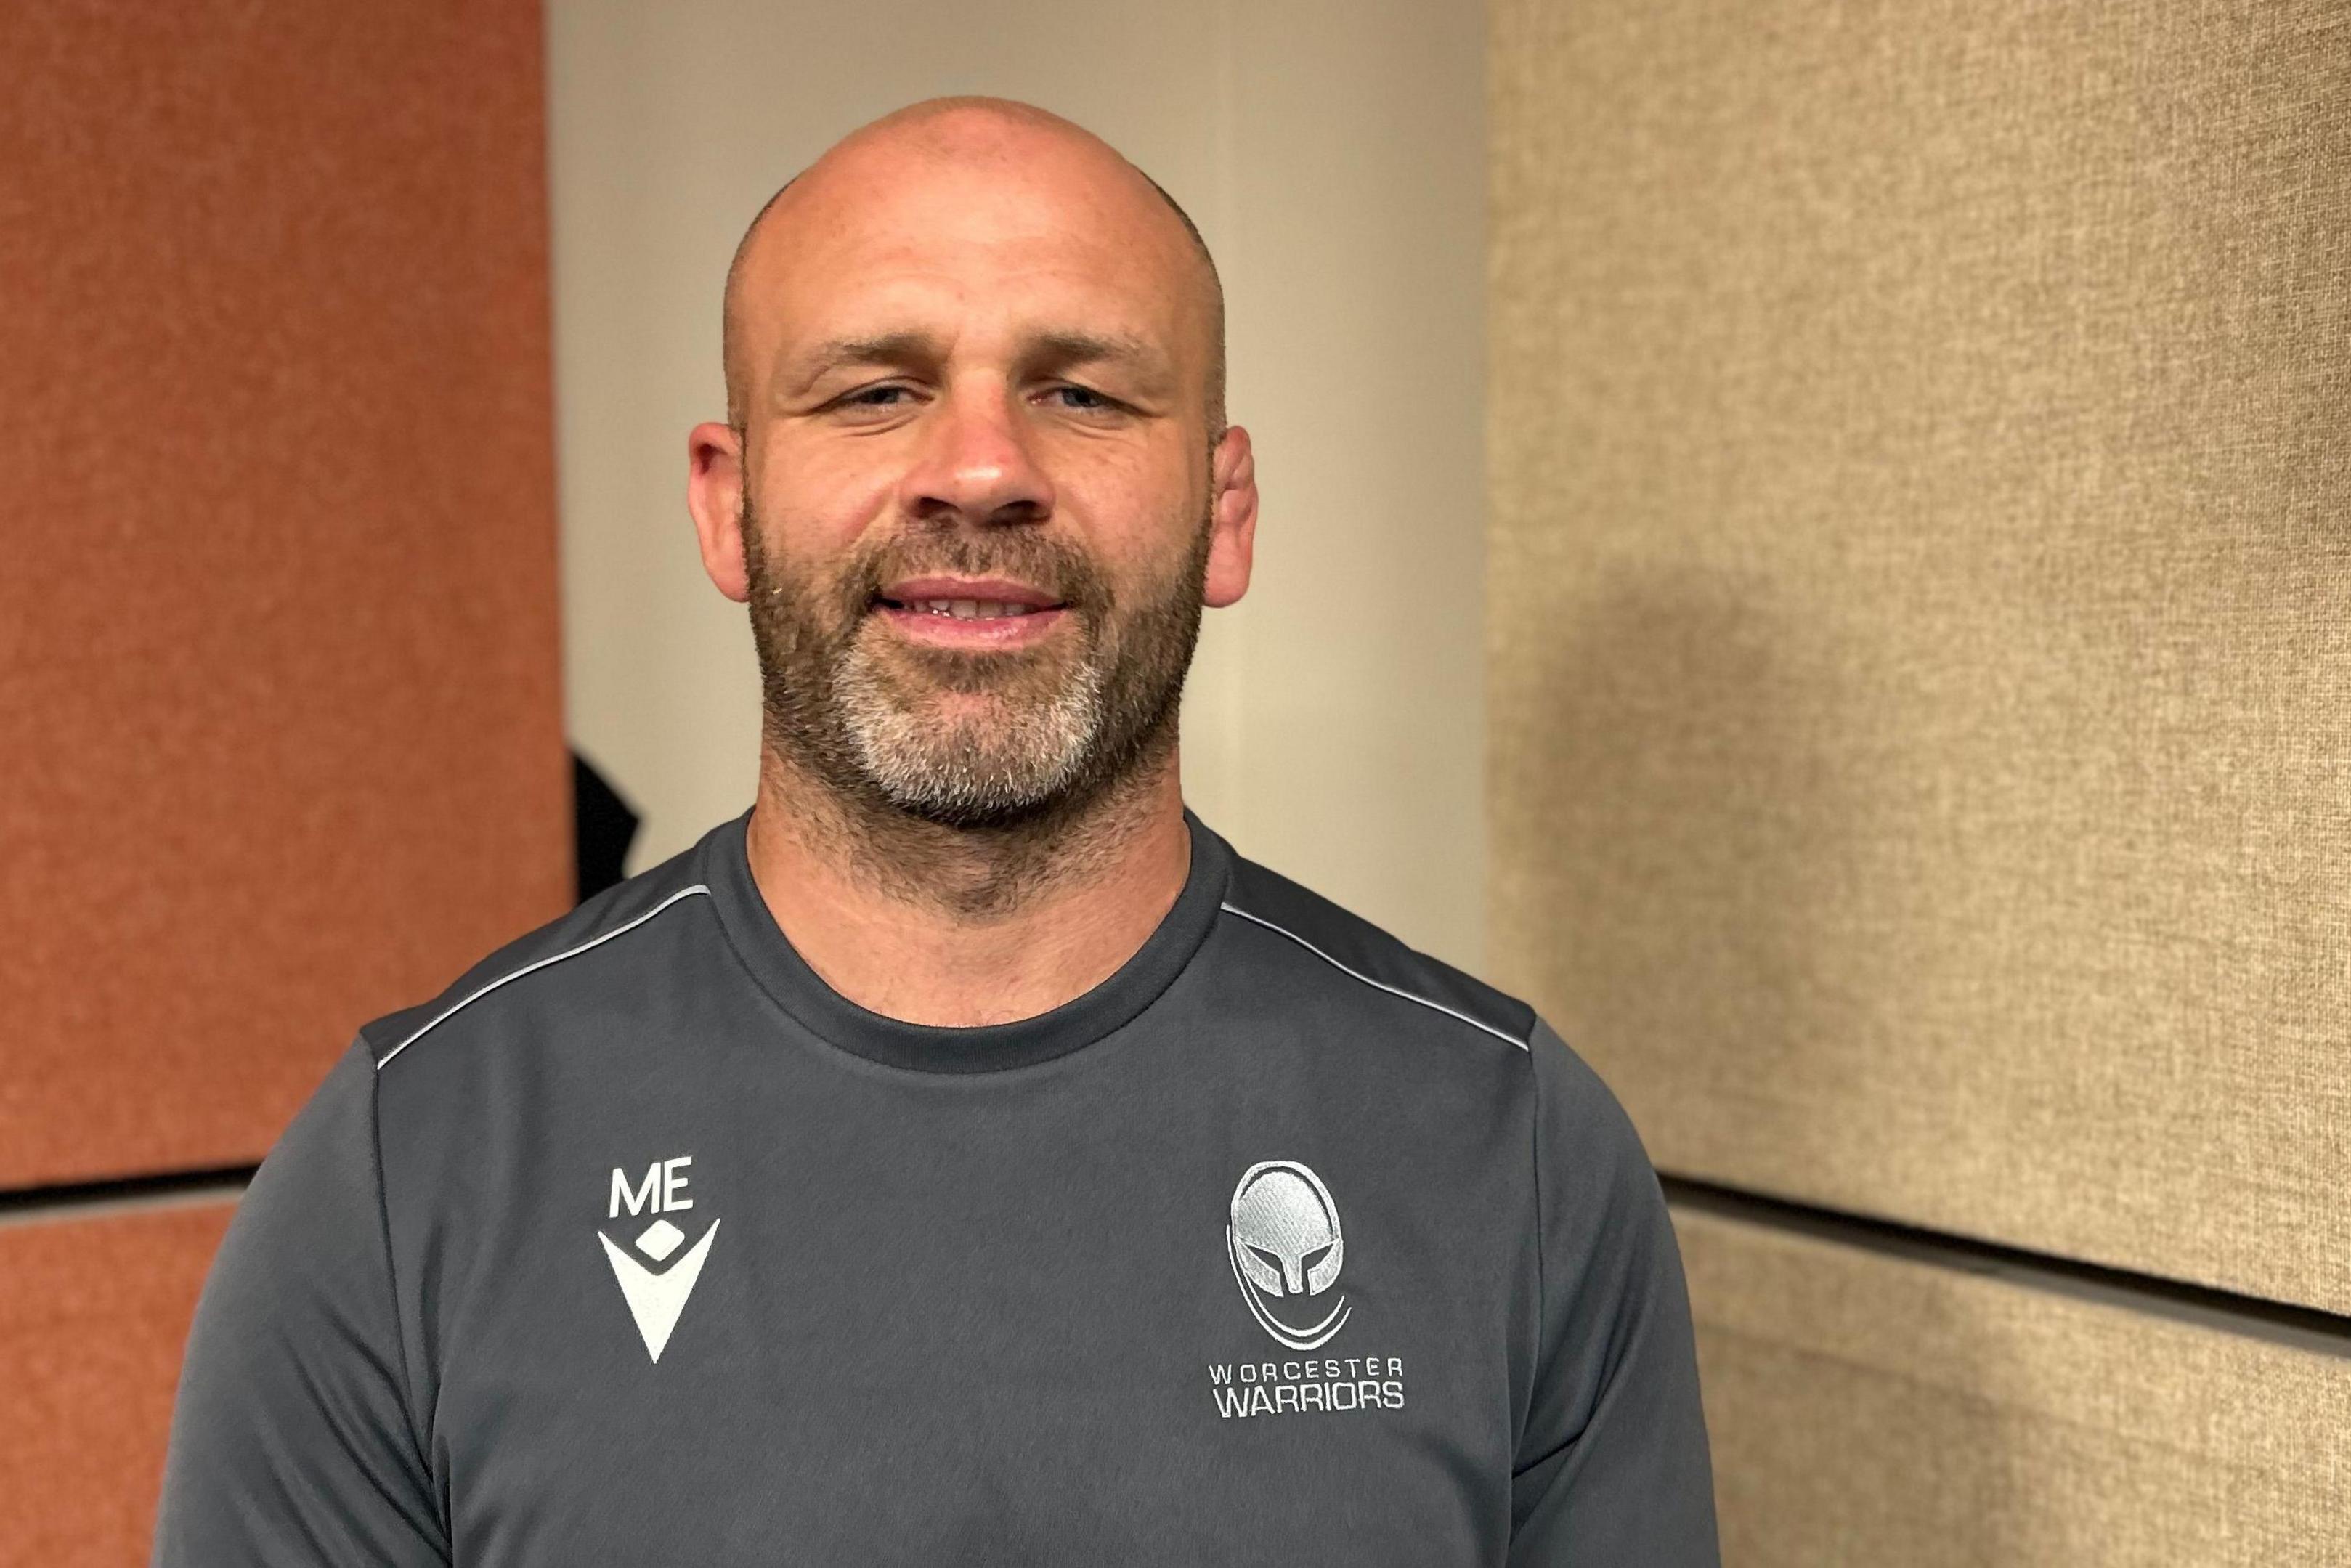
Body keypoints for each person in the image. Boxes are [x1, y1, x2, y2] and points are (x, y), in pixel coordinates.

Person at [151, 96, 1718, 1564]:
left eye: (1082, 393)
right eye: (875, 392)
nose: (980, 471)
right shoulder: (411, 1171)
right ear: (727, 502)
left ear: (1224, 511)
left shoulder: (1512, 1153)